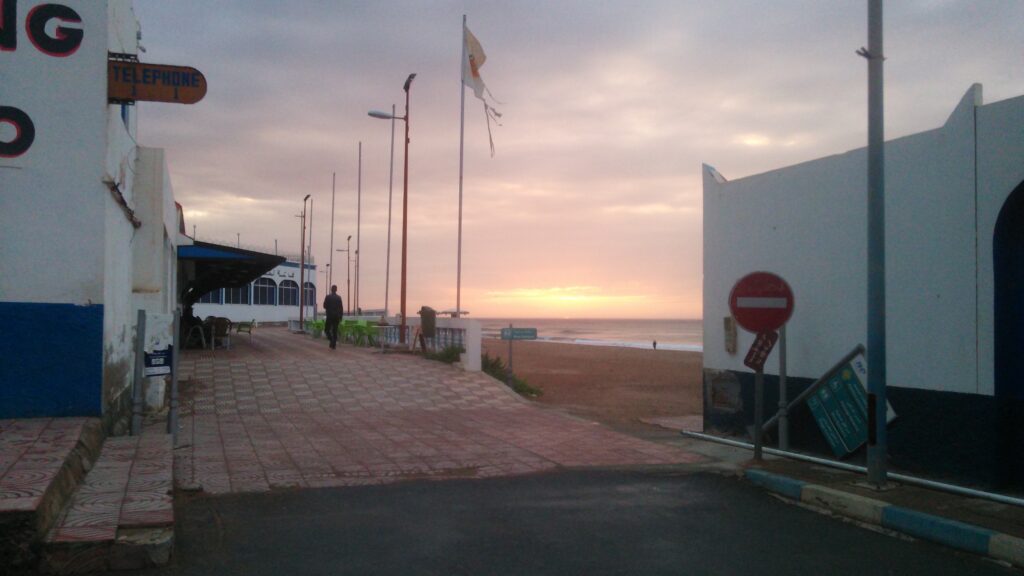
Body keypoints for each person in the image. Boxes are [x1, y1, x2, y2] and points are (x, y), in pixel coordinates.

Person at [323, 285, 344, 350]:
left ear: (331, 289)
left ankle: (331, 340)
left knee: (327, 330)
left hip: (329, 316)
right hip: (337, 316)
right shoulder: (339, 297)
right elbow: (341, 308)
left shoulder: (328, 297)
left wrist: (329, 308)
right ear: (336, 290)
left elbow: (324, 306)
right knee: (335, 331)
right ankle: (333, 345)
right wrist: (341, 316)